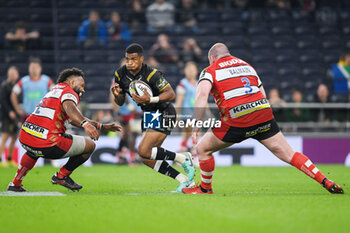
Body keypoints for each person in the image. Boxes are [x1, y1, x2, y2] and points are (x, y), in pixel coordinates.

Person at [182, 43, 343, 194]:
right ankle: (325, 180)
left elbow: (202, 95)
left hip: (237, 119)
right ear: (228, 54)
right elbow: (263, 94)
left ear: (212, 58)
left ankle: (205, 189)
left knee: (203, 149)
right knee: (289, 154)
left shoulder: (210, 70)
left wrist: (197, 122)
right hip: (263, 115)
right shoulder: (247, 66)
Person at [7, 68, 122, 192]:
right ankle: (62, 176)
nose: (83, 89)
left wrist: (101, 126)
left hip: (26, 136)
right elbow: (70, 108)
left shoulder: (55, 91)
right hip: (48, 142)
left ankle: (15, 184)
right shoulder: (69, 92)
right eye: (82, 85)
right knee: (90, 146)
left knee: (33, 152)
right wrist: (85, 124)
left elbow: (73, 118)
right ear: (72, 82)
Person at [111, 43, 195, 192]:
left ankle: (183, 158)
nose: (129, 62)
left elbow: (171, 94)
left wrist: (150, 99)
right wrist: (117, 96)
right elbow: (120, 101)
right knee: (146, 157)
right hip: (149, 114)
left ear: (141, 59)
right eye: (127, 59)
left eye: (133, 59)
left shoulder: (152, 74)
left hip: (165, 111)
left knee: (143, 150)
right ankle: (184, 180)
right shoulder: (120, 75)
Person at [11, 58, 54, 123]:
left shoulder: (47, 80)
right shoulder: (23, 81)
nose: (34, 70)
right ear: (29, 68)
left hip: (43, 116)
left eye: (36, 67)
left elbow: (56, 93)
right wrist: (17, 109)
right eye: (32, 67)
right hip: (27, 116)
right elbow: (13, 94)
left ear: (40, 68)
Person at [175, 62, 198, 153]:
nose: (191, 72)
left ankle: (181, 155)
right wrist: (177, 115)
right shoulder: (182, 84)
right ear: (185, 71)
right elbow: (179, 101)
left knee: (187, 135)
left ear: (196, 71)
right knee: (194, 133)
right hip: (187, 114)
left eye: (192, 70)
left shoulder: (197, 84)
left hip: (196, 113)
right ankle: (194, 156)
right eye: (189, 70)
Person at [0, 67, 20, 167]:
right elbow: (3, 101)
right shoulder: (4, 86)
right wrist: (9, 112)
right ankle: (0, 160)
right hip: (6, 116)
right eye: (11, 74)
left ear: (17, 75)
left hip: (15, 116)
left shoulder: (17, 87)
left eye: (14, 74)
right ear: (8, 75)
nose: (13, 76)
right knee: (4, 137)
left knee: (14, 137)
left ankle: (9, 159)